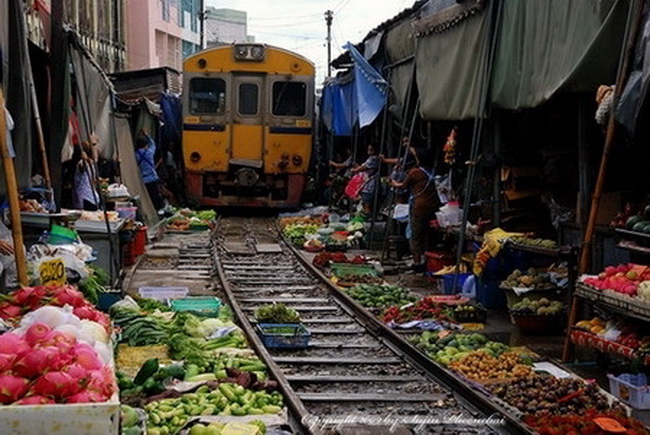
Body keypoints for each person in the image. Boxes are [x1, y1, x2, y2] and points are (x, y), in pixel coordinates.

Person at [391, 147, 441, 270]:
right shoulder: (433, 171)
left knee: (416, 236)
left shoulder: (415, 172)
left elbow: (402, 185)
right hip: (434, 207)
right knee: (429, 235)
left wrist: (393, 183)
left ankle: (417, 262)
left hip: (419, 207)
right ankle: (427, 260)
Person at [381, 136, 417, 203]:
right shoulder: (407, 153)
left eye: (407, 141)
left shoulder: (413, 151)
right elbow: (400, 160)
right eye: (404, 142)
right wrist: (385, 160)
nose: (405, 144)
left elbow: (417, 162)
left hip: (407, 177)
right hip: (401, 177)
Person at [135, 129, 165, 211]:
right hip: (152, 178)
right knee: (155, 195)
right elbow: (153, 144)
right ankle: (157, 210)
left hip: (143, 179)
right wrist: (147, 135)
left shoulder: (136, 155)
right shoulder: (149, 152)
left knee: (146, 196)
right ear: (146, 145)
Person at [73, 133, 101, 211]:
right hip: (85, 199)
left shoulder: (93, 163)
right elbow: (83, 167)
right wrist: (85, 160)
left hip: (93, 198)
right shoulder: (82, 163)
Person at [351, 144, 380, 216]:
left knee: (367, 202)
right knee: (363, 201)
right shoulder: (369, 159)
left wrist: (355, 169)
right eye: (368, 150)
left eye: (371, 150)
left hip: (370, 183)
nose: (369, 152)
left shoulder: (374, 159)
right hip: (365, 182)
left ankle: (368, 216)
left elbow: (364, 167)